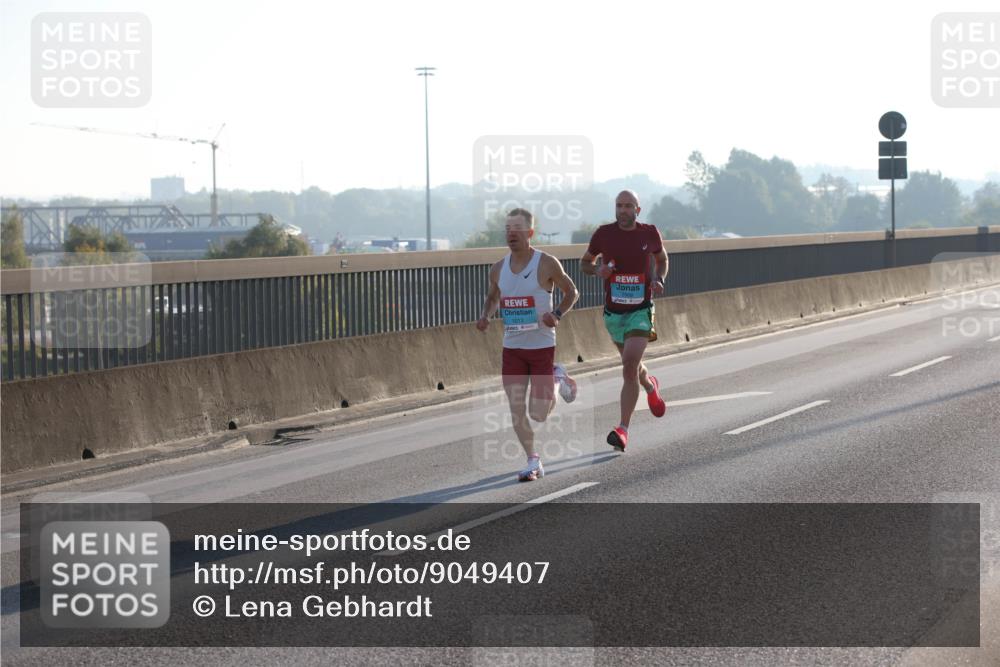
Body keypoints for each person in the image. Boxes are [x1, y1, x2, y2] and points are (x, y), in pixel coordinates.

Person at [477, 208, 580, 481]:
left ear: (530, 233)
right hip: (512, 348)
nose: (511, 233)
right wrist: (486, 315)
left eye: (517, 228)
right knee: (516, 407)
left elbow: (572, 291)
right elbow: (493, 297)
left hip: (541, 346)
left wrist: (556, 314)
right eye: (508, 228)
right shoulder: (498, 268)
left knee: (539, 413)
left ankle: (557, 377)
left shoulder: (546, 263)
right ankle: (533, 460)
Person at [580, 190, 668, 452]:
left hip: (641, 309)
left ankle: (623, 430)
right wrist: (598, 270)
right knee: (632, 366)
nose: (623, 210)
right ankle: (650, 385)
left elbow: (662, 259)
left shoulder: (649, 233)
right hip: (613, 313)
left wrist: (658, 278)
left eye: (629, 206)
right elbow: (585, 263)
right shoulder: (603, 234)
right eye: (619, 206)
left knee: (628, 365)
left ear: (637, 210)